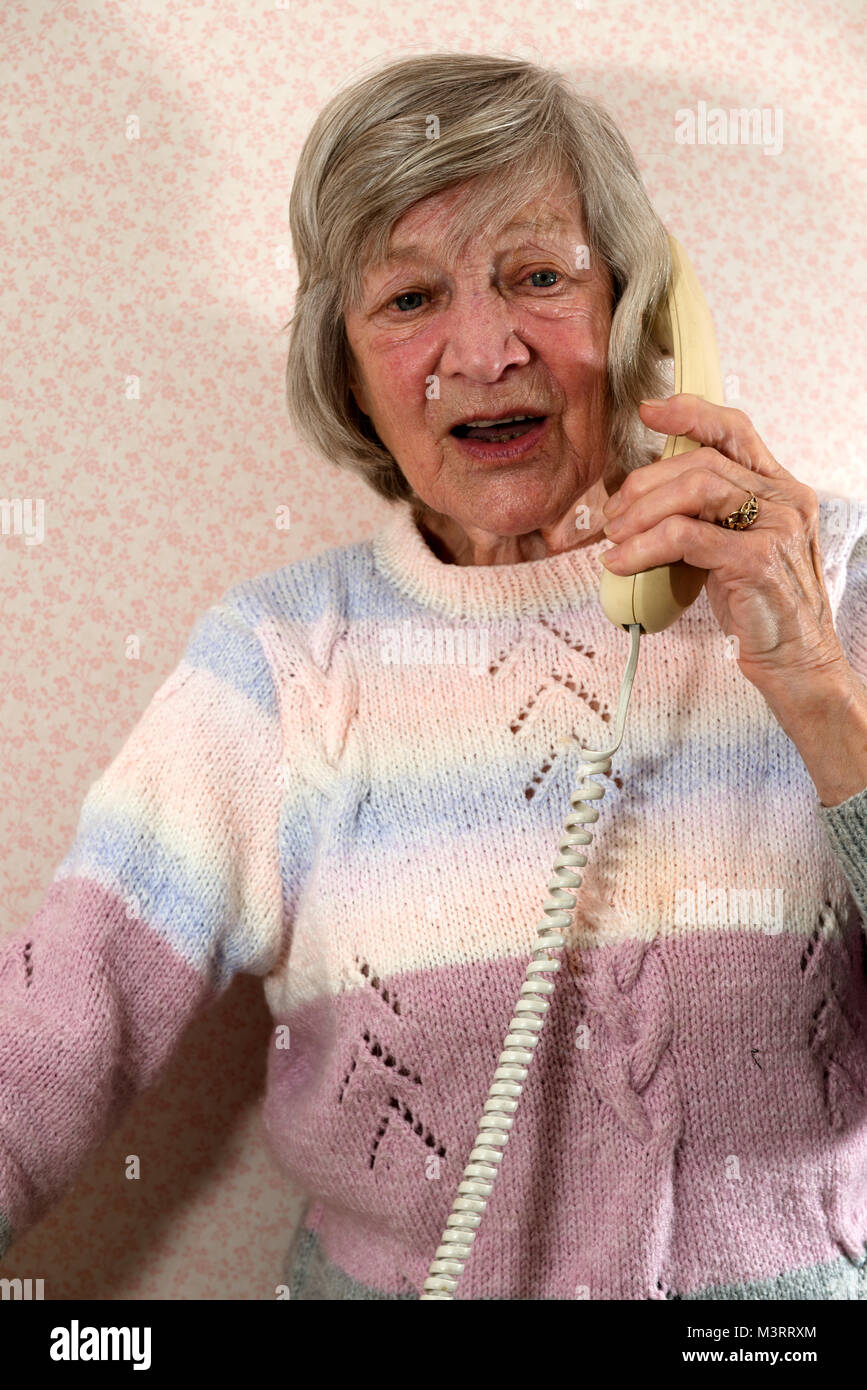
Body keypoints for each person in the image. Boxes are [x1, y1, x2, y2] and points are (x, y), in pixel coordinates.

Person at [2, 51, 866, 1301]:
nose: (483, 347)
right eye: (408, 299)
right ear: (344, 361)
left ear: (639, 310)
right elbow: (54, 1030)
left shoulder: (826, 578)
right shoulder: (283, 663)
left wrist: (815, 684)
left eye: (539, 276)